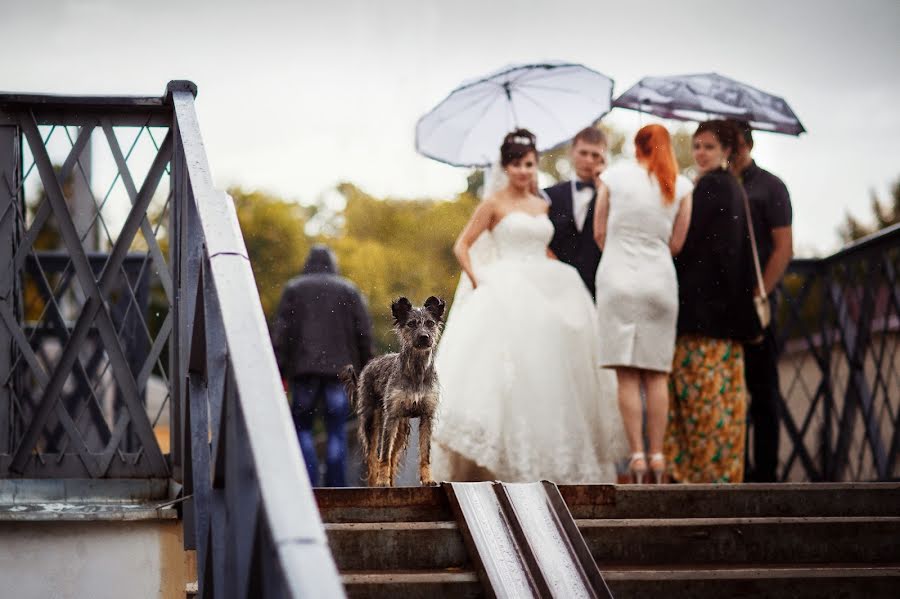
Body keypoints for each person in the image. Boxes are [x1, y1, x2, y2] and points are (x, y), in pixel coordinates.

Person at [432, 129, 622, 484]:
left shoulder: (543, 204)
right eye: (517, 164)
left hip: (546, 284)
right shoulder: (492, 203)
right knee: (510, 372)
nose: (524, 171)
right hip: (505, 286)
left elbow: (544, 244)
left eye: (530, 164)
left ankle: (553, 457)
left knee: (552, 366)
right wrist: (479, 281)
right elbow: (463, 246)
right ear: (506, 167)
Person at [592, 124, 694, 483]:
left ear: (637, 146)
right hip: (660, 283)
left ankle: (636, 456)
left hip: (618, 279)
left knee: (627, 374)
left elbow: (599, 232)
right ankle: (658, 456)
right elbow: (677, 244)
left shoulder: (613, 177)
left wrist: (621, 255)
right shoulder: (681, 186)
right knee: (656, 375)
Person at [664, 120, 761, 484]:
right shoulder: (733, 187)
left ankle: (698, 477)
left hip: (702, 318)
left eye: (708, 146)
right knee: (723, 404)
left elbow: (683, 246)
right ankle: (719, 475)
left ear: (725, 151)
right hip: (726, 320)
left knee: (699, 403)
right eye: (697, 145)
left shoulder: (708, 188)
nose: (700, 152)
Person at [272, 245, 373, 487]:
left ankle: (307, 483)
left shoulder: (294, 289)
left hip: (303, 372)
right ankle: (336, 486)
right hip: (339, 373)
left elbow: (281, 334)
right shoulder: (348, 290)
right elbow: (363, 333)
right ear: (333, 264)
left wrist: (279, 371)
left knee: (303, 427)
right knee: (336, 429)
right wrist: (367, 369)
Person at [729, 119, 793, 483]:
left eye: (733, 144)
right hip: (723, 309)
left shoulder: (771, 186)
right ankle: (734, 470)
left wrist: (761, 292)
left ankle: (766, 474)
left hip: (759, 306)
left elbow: (784, 248)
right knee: (728, 392)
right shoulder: (713, 186)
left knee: (763, 391)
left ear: (747, 145)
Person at [544, 127, 608, 299]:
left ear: (604, 158)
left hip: (600, 289)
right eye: (583, 153)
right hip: (557, 289)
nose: (588, 160)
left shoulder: (614, 197)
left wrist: (604, 189)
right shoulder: (549, 196)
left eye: (595, 155)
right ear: (572, 152)